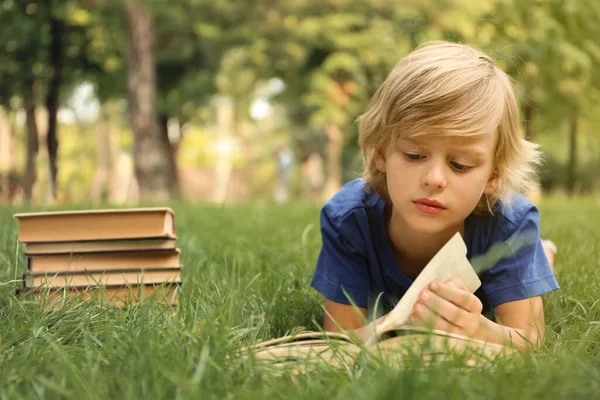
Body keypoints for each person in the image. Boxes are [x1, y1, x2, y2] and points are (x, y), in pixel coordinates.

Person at [310, 42, 559, 351]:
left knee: (535, 259)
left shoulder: (510, 223)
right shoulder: (348, 219)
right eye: (414, 155)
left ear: (493, 176)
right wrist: (402, 325)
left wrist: (475, 327)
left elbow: (530, 341)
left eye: (460, 165)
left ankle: (543, 252)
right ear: (380, 153)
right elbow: (338, 341)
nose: (434, 179)